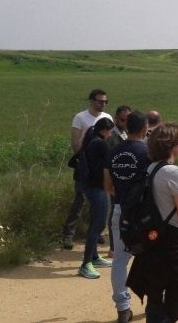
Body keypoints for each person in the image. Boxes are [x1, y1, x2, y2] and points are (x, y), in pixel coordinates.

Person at [127, 123, 178, 323]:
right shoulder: (175, 173)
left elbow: (158, 199)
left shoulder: (150, 169)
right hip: (174, 247)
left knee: (157, 298)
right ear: (172, 145)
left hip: (153, 244)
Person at [104, 110, 150, 323]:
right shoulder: (148, 152)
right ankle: (155, 302)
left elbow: (108, 187)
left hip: (120, 212)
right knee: (152, 258)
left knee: (120, 262)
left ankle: (123, 309)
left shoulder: (113, 152)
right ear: (144, 128)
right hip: (145, 214)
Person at [62, 89, 114, 250]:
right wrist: (85, 161)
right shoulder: (80, 117)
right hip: (84, 167)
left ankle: (95, 232)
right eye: (100, 101)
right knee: (79, 201)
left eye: (105, 101)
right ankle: (68, 235)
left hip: (100, 170)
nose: (103, 104)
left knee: (99, 204)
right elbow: (75, 142)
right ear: (91, 101)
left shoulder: (107, 118)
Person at [77, 117, 114, 279]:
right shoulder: (100, 144)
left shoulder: (91, 140)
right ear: (105, 130)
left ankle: (94, 257)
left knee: (95, 222)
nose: (111, 134)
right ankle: (85, 264)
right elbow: (111, 163)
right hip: (97, 188)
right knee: (98, 225)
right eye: (110, 131)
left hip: (89, 186)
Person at [106, 104, 132, 259]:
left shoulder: (124, 132)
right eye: (123, 120)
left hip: (124, 179)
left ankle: (120, 243)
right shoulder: (112, 137)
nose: (125, 122)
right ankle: (113, 247)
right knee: (115, 213)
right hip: (115, 179)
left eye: (128, 120)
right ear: (116, 119)